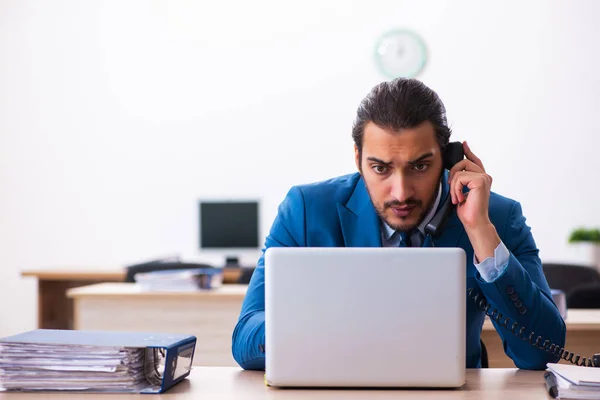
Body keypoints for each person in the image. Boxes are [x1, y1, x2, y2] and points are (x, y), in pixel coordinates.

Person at [231, 78, 566, 370]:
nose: (401, 192)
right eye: (380, 168)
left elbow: (539, 353)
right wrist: (334, 326)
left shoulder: (497, 217)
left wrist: (480, 232)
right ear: (357, 159)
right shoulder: (305, 210)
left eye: (420, 167)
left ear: (449, 159)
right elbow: (246, 338)